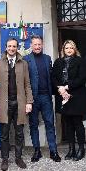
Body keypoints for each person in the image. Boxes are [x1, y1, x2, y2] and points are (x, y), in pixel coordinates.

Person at [0, 38, 33, 171]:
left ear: (16, 48)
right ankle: (4, 159)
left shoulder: (23, 63)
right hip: (4, 104)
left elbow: (27, 84)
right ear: (6, 47)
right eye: (9, 46)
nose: (11, 48)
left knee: (19, 133)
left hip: (19, 103)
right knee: (4, 133)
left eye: (14, 46)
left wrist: (29, 102)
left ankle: (18, 157)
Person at [24, 35, 61, 163]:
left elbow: (52, 77)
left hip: (46, 97)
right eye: (35, 44)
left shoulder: (47, 58)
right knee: (33, 125)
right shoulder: (26, 60)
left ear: (42, 44)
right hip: (32, 98)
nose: (37, 46)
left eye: (39, 44)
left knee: (50, 123)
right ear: (31, 45)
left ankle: (53, 151)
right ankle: (37, 151)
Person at [52, 40, 86, 161]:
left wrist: (67, 87)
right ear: (63, 50)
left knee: (78, 123)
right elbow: (53, 77)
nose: (68, 50)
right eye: (66, 48)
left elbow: (82, 78)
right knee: (68, 124)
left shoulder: (80, 61)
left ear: (75, 49)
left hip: (77, 96)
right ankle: (71, 149)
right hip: (63, 97)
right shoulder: (58, 62)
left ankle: (81, 149)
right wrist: (60, 89)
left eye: (71, 48)